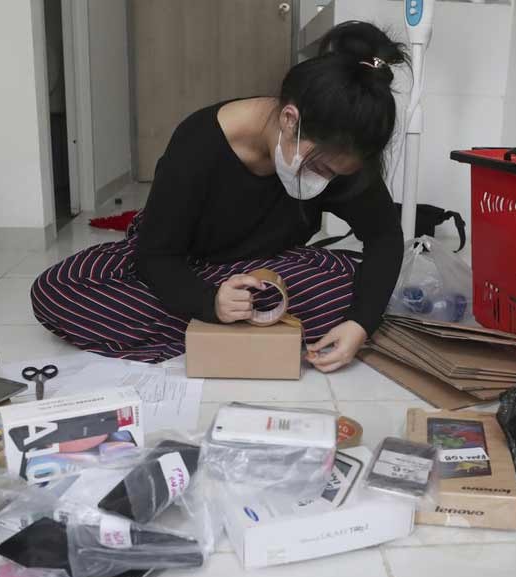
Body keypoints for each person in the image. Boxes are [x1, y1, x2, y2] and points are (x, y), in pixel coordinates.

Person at [31, 21, 408, 372]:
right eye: (321, 169)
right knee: (58, 289)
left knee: (355, 285)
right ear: (290, 119)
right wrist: (209, 301)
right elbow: (158, 255)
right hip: (181, 259)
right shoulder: (199, 144)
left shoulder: (341, 144)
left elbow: (384, 237)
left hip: (267, 268)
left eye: (336, 175)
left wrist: (360, 324)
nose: (325, 181)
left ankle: (222, 326)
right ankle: (251, 324)